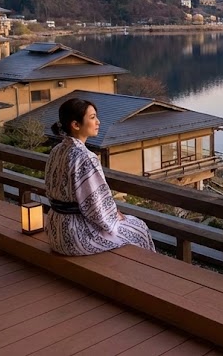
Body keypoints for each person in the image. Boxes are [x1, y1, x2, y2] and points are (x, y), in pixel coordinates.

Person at [44, 98, 156, 255]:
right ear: (76, 125)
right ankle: (142, 276)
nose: (98, 122)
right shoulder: (85, 157)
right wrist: (114, 217)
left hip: (55, 228)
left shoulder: (57, 150)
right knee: (139, 228)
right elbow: (96, 205)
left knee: (129, 224)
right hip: (75, 236)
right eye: (92, 117)